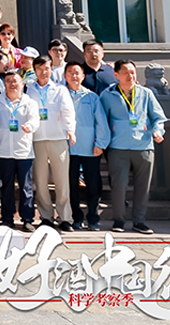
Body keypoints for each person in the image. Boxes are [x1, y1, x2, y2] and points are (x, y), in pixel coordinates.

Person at [101, 59, 166, 235]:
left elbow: (158, 117)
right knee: (119, 186)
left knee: (142, 187)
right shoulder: (107, 95)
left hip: (143, 146)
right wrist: (102, 142)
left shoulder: (146, 94)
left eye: (133, 72)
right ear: (116, 75)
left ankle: (139, 221)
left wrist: (158, 130)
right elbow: (102, 120)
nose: (130, 76)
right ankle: (119, 219)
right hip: (118, 147)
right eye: (126, 72)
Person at [26, 55, 77, 231]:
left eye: (46, 68)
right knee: (40, 180)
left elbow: (68, 111)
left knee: (62, 180)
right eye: (39, 69)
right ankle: (46, 216)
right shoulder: (28, 89)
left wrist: (70, 129)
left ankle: (65, 218)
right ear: (34, 70)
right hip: (36, 138)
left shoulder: (60, 89)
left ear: (51, 69)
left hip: (58, 137)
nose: (43, 72)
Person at [0, 70, 39, 232]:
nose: (12, 83)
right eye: (8, 80)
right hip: (3, 150)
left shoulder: (30, 102)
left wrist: (29, 127)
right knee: (6, 186)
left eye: (15, 80)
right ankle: (7, 217)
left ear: (22, 84)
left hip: (23, 150)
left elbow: (35, 119)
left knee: (26, 187)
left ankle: (27, 219)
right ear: (4, 83)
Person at [64, 62, 111, 231]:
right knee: (71, 185)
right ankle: (76, 217)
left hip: (90, 148)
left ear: (83, 76)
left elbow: (101, 122)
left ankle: (93, 217)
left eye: (77, 73)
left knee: (93, 185)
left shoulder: (92, 97)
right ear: (65, 76)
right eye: (70, 73)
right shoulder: (61, 96)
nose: (74, 76)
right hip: (68, 148)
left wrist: (100, 144)